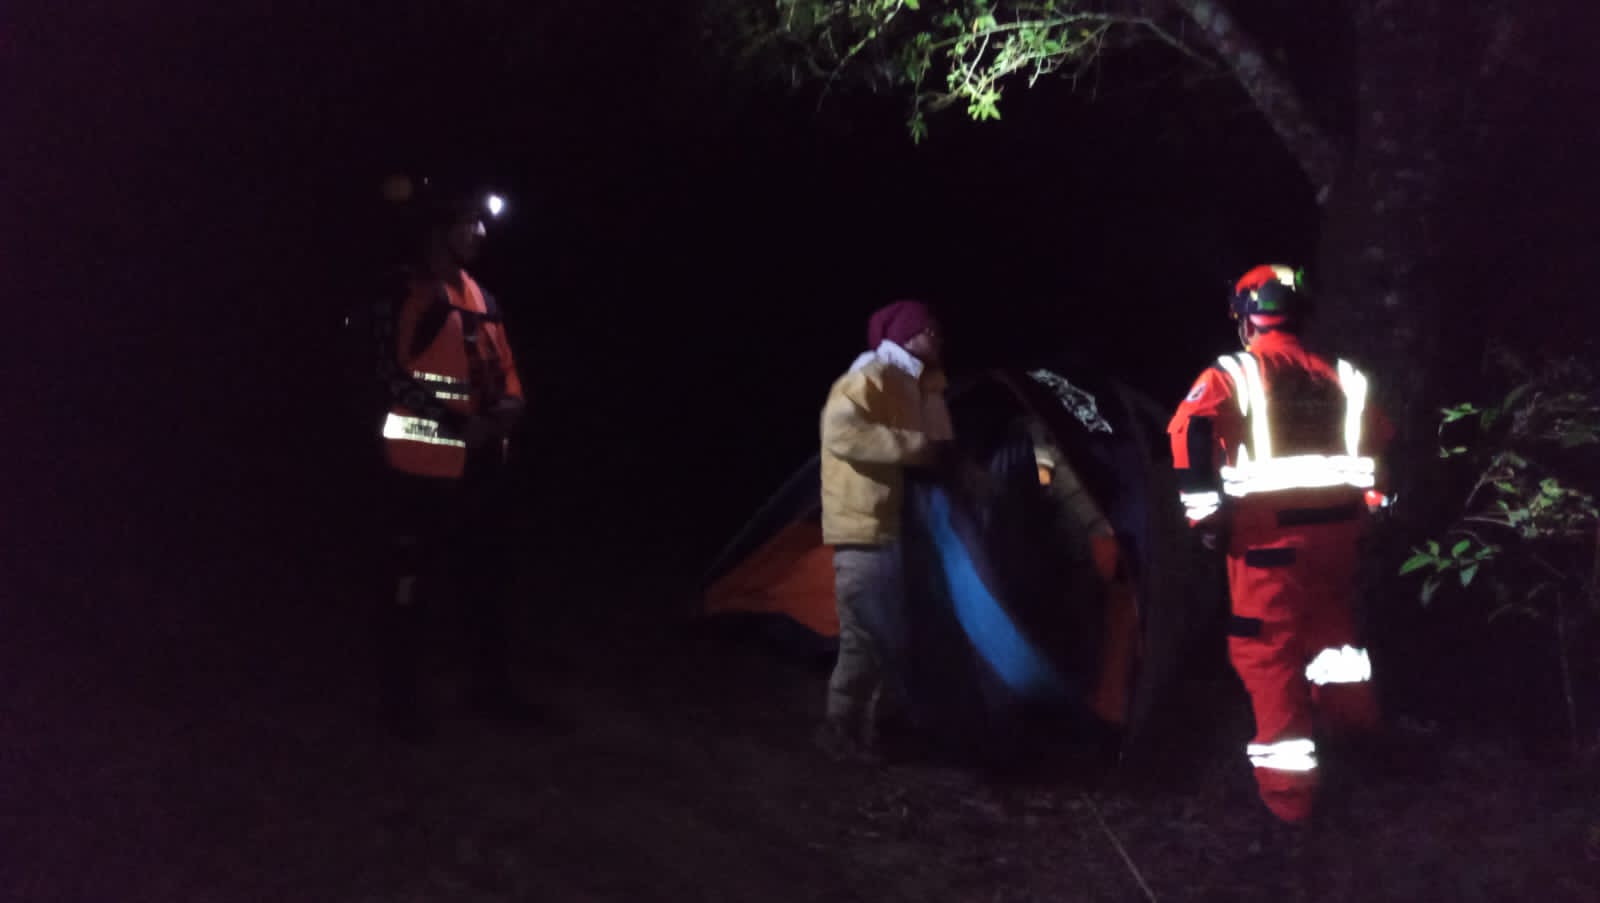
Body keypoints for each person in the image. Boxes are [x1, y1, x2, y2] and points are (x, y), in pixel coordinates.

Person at [1167, 264, 1394, 824]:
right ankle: (1357, 738)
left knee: (1267, 654)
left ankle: (1289, 801)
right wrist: (1371, 507)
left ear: (1246, 315)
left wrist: (1204, 516)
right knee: (1333, 639)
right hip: (1340, 539)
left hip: (1269, 541)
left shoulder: (1233, 374)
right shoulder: (1343, 375)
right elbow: (1381, 443)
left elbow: (1186, 431)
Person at [370, 175, 535, 741]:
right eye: (470, 222)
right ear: (439, 230)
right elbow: (389, 378)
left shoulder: (484, 297)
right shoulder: (407, 295)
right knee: (410, 590)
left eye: (481, 221)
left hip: (482, 472)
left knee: (486, 582)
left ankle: (489, 688)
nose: (481, 232)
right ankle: (398, 704)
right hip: (419, 472)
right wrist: (462, 425)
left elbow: (506, 368)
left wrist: (511, 407)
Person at [815, 299, 955, 761]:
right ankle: (839, 731)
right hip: (863, 526)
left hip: (897, 529)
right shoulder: (870, 376)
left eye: (936, 329)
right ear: (905, 335)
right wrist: (913, 447)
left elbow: (941, 446)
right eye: (926, 329)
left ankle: (873, 731)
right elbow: (840, 431)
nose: (936, 335)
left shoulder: (917, 386)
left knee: (891, 633)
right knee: (866, 636)